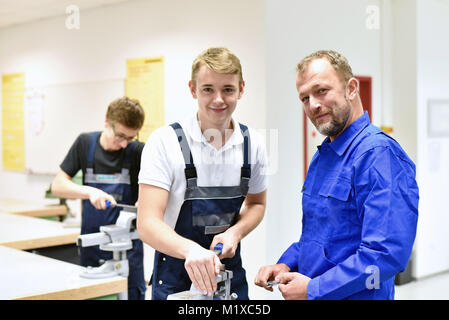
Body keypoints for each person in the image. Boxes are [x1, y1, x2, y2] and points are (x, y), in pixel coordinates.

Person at [254, 50, 419, 300]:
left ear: (351, 88)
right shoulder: (324, 156)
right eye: (305, 98)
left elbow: (384, 255)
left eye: (321, 91)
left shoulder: (378, 155)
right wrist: (287, 264)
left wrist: (313, 289)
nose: (313, 105)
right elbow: (320, 238)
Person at [137, 47, 268, 300]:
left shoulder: (254, 144)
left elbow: (257, 204)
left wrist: (234, 233)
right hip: (176, 281)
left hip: (229, 277)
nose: (218, 99)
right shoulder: (165, 142)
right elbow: (147, 223)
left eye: (228, 89)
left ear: (241, 88)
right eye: (208, 89)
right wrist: (191, 251)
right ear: (193, 89)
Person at [51, 97, 147, 300]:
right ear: (106, 121)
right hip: (91, 246)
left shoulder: (137, 151)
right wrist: (89, 192)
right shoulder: (85, 143)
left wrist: (147, 202)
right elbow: (58, 185)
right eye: (120, 136)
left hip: (127, 252)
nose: (123, 144)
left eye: (130, 138)